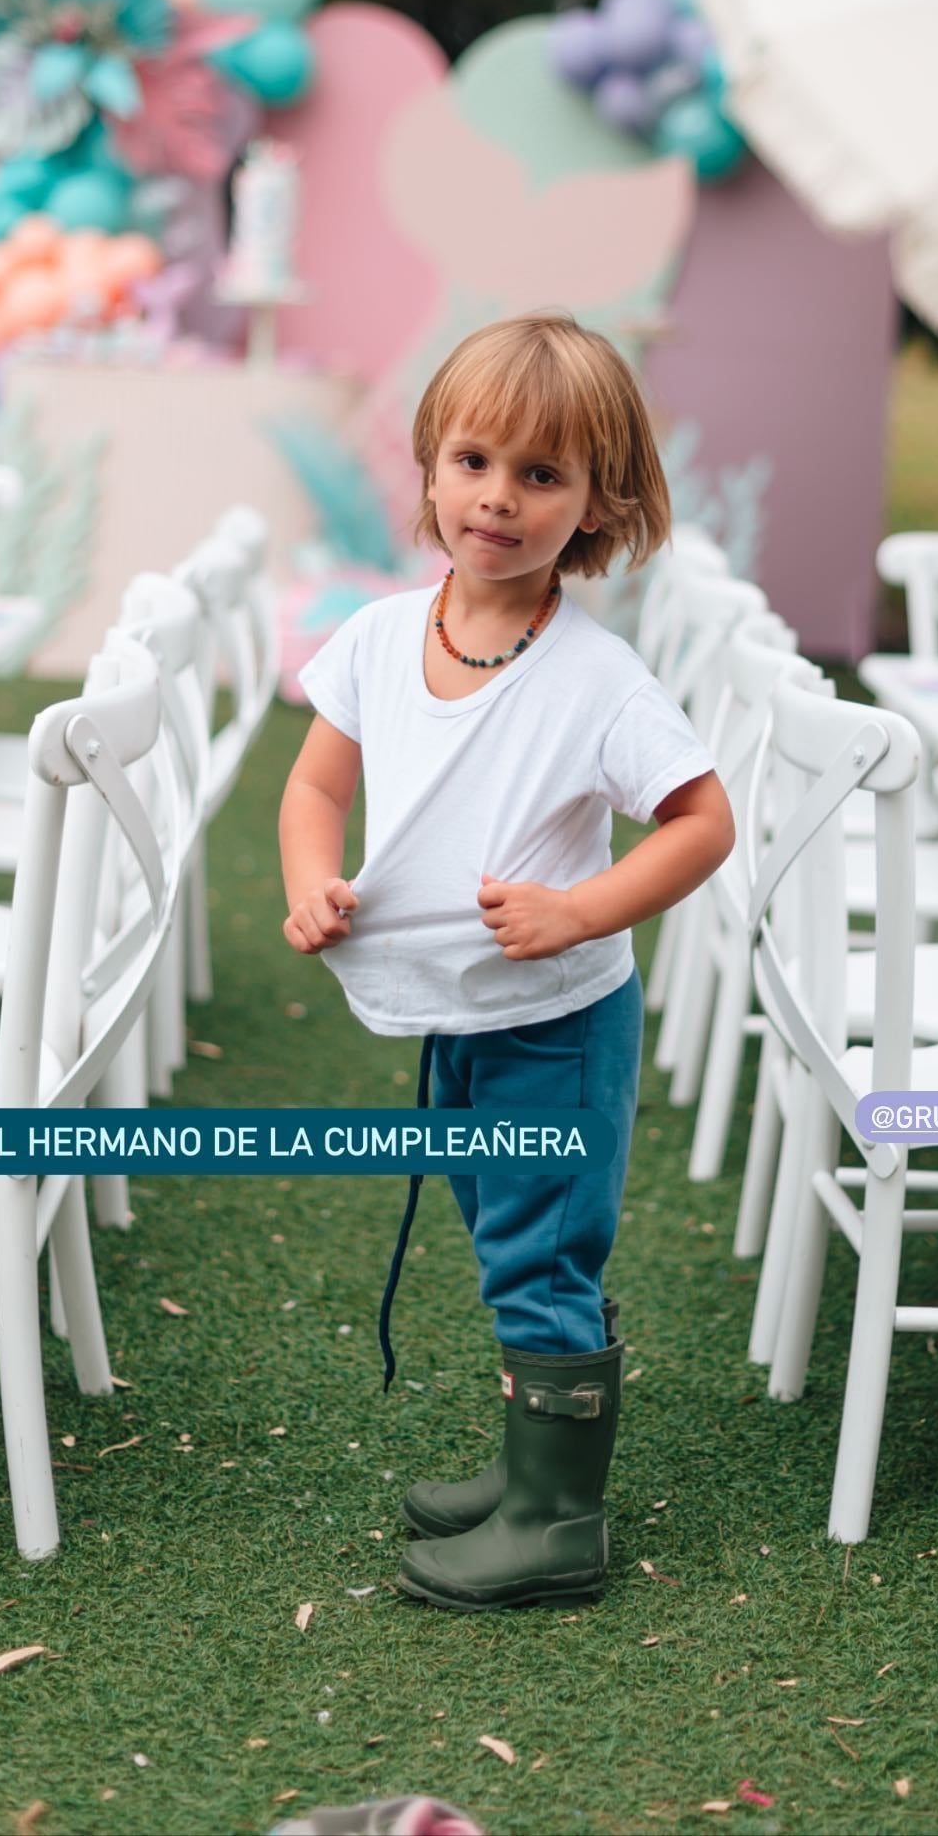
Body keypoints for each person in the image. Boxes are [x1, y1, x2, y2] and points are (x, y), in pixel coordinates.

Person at [278, 312, 734, 1611]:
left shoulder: (597, 680)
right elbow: (313, 791)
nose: (498, 497)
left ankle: (555, 1520)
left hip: (551, 1020)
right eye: (475, 459)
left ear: (597, 503)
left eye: (541, 475)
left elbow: (703, 820)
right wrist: (311, 877)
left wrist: (580, 910)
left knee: (541, 1252)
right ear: (429, 467)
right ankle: (530, 1467)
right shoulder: (377, 637)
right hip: (458, 1019)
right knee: (501, 1237)